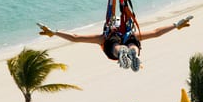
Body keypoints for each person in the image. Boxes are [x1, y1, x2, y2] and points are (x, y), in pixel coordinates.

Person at [37, 16, 193, 72]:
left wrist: (54, 32)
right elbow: (156, 32)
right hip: (127, 42)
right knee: (133, 42)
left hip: (112, 49)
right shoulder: (130, 33)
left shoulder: (103, 37)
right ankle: (132, 54)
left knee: (115, 45)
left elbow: (75, 37)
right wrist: (175, 25)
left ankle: (125, 54)